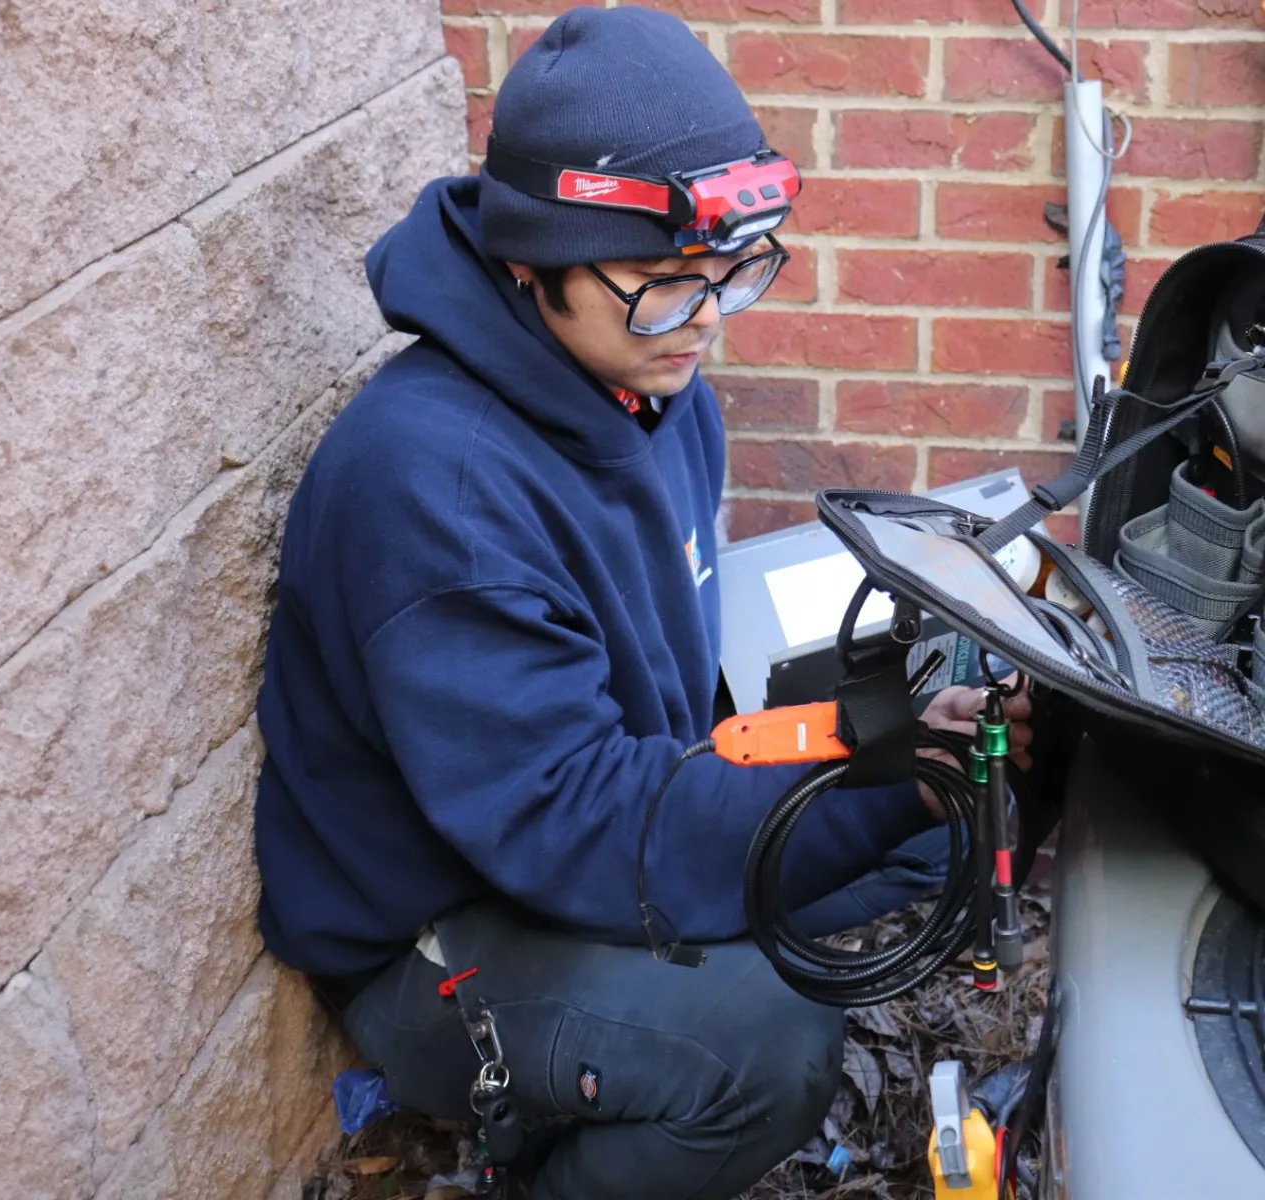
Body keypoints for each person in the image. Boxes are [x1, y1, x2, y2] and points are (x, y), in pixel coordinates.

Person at [252, 8, 1031, 1198]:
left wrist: (908, 748)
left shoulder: (654, 389)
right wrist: (877, 770)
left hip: (592, 820)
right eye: (666, 286)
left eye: (731, 272)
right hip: (434, 933)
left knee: (951, 817)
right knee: (766, 1040)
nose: (709, 318)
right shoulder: (434, 493)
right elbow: (586, 831)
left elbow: (670, 708)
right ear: (530, 262)